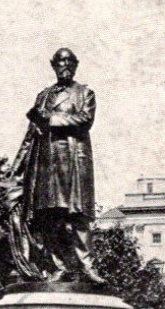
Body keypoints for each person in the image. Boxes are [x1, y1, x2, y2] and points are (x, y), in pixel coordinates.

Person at [8, 47, 104, 285]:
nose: (65, 66)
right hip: (45, 164)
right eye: (60, 62)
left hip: (72, 160)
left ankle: (87, 267)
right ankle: (59, 266)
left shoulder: (85, 93)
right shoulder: (43, 96)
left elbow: (85, 120)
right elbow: (31, 136)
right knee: (49, 217)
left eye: (70, 62)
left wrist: (51, 120)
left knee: (78, 215)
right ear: (53, 65)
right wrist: (16, 168)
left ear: (76, 65)